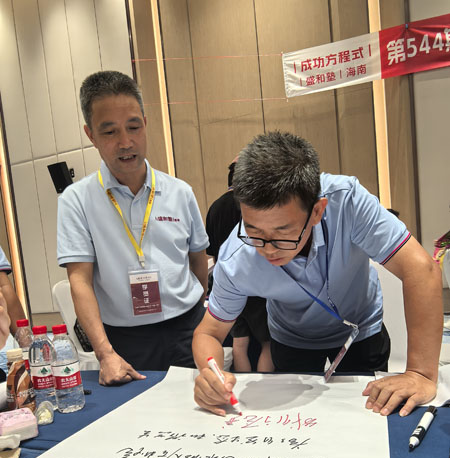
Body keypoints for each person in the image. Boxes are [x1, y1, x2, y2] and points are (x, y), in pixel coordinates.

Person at [193, 131, 443, 417]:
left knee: (368, 415)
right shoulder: (237, 256)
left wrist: (420, 374)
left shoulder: (347, 202)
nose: (268, 248)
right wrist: (210, 373)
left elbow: (421, 270)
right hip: (291, 337)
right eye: (254, 230)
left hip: (360, 329)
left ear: (316, 211)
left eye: (283, 232)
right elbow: (209, 332)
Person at [57, 71, 209, 385]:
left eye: (134, 127)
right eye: (110, 131)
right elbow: (80, 281)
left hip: (188, 329)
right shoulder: (77, 200)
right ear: (91, 135)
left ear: (145, 123)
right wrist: (105, 354)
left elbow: (198, 260)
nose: (125, 142)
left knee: (201, 408)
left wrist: (196, 313)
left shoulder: (180, 192)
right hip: (124, 341)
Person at [205, 160, 274, 372]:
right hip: (256, 285)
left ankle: (239, 384)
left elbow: (211, 253)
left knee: (239, 344)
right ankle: (265, 385)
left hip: (226, 283)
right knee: (268, 344)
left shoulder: (215, 207)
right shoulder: (253, 205)